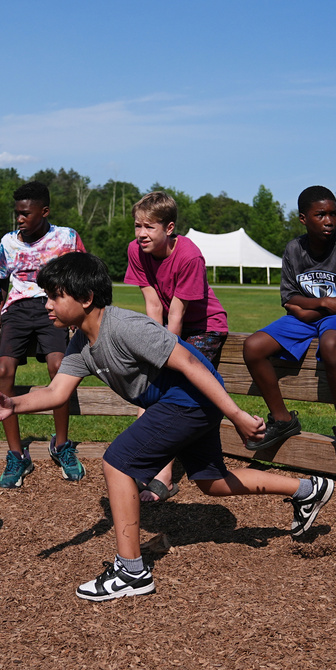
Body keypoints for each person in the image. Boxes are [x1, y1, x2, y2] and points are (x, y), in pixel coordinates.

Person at [0, 252, 334, 602]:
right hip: (184, 402)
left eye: (55, 296)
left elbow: (192, 363)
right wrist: (13, 404)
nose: (47, 305)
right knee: (211, 482)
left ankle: (131, 571)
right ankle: (307, 489)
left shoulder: (128, 328)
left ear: (86, 298)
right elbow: (57, 392)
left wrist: (236, 415)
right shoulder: (80, 343)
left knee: (117, 462)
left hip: (189, 398)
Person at [242, 186, 336, 464]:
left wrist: (311, 307)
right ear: (303, 218)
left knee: (332, 342)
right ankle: (283, 419)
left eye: (333, 214)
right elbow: (289, 299)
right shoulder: (293, 249)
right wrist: (325, 303)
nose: (329, 220)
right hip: (308, 318)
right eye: (320, 214)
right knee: (253, 346)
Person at [124, 190, 229, 502]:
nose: (141, 234)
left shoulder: (189, 255)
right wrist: (152, 350)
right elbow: (154, 306)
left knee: (170, 389)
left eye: (149, 227)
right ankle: (147, 465)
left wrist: (164, 357)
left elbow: (178, 314)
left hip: (205, 327)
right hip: (169, 323)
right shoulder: (136, 250)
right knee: (154, 386)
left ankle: (163, 477)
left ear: (169, 228)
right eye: (137, 226)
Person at [0, 181, 85, 488]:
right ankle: (16, 454)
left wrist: (77, 315)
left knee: (59, 366)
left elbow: (81, 274)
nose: (19, 219)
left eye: (26, 213)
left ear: (44, 212)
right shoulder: (8, 242)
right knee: (3, 369)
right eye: (17, 213)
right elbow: (2, 282)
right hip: (18, 310)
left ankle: (61, 445)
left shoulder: (66, 237)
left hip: (53, 306)